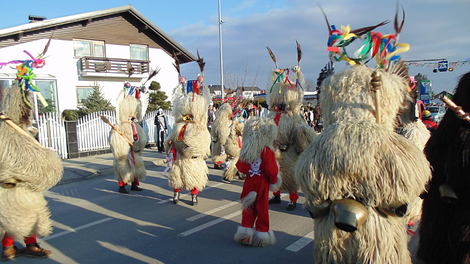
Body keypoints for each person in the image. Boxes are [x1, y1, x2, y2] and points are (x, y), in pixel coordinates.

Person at [1, 84, 63, 260]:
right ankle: (31, 246)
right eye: (28, 110)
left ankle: (8, 248)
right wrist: (47, 156)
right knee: (29, 216)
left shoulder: (10, 131)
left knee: (12, 218)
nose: (30, 114)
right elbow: (27, 162)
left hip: (8, 188)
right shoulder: (13, 135)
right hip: (18, 186)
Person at [234, 117, 281, 247]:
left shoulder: (247, 149)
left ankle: (246, 233)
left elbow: (240, 166)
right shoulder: (267, 150)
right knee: (262, 208)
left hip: (249, 181)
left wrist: (249, 170)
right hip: (262, 182)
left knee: (248, 207)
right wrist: (274, 181)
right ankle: (262, 235)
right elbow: (271, 170)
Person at [110, 84, 148, 194]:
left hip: (133, 140)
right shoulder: (119, 126)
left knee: (136, 160)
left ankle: (134, 184)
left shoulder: (135, 126)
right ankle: (122, 185)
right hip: (124, 142)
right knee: (122, 163)